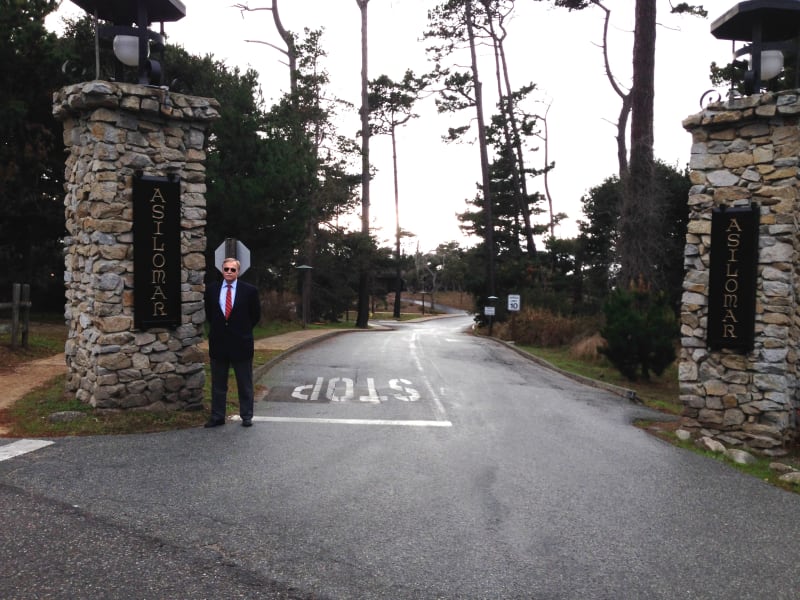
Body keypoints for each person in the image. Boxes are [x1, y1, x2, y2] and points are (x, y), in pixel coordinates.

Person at [203, 257, 261, 427]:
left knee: (244, 383)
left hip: (241, 344)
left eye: (232, 270)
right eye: (226, 269)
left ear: (238, 272)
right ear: (222, 270)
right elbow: (210, 314)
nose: (229, 272)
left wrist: (242, 330)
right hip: (219, 343)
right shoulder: (212, 290)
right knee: (218, 384)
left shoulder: (249, 291)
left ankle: (246, 415)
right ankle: (217, 416)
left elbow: (255, 315)